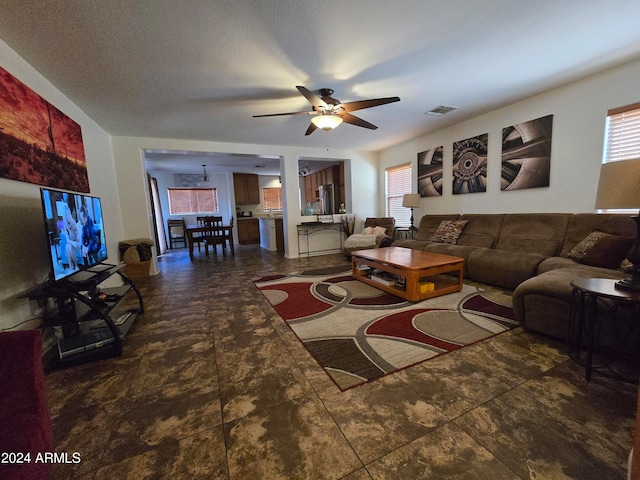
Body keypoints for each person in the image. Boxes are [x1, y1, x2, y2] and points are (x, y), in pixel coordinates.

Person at [62, 205, 82, 270]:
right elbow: (67, 239)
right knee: (68, 246)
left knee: (69, 246)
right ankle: (71, 266)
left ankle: (76, 265)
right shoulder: (65, 225)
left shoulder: (73, 222)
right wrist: (71, 242)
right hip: (72, 243)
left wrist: (73, 242)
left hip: (78, 242)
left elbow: (78, 235)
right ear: (65, 217)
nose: (69, 216)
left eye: (69, 214)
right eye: (67, 215)